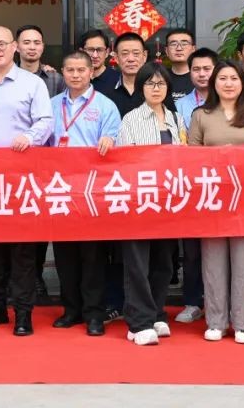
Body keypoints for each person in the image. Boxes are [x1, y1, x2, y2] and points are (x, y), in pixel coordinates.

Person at [0, 26, 54, 336]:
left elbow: (46, 121)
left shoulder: (33, 83)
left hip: (22, 181)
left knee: (22, 250)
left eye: (2, 44)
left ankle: (23, 312)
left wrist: (29, 137)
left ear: (14, 47)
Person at [188, 60, 244, 344]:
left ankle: (242, 323)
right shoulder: (201, 115)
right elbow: (191, 156)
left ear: (242, 83)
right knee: (213, 262)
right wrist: (217, 158)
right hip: (212, 198)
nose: (228, 83)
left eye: (233, 78)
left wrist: (237, 156)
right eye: (222, 78)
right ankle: (215, 321)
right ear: (214, 83)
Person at [50, 51, 121, 336]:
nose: (76, 75)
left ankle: (94, 313)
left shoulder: (105, 105)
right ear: (62, 72)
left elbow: (114, 138)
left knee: (93, 256)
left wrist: (110, 140)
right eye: (70, 70)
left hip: (92, 191)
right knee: (65, 254)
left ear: (91, 72)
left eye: (81, 70)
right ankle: (71, 309)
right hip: (60, 189)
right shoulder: (52, 105)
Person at [115, 63, 186, 346]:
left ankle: (157, 312)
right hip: (139, 201)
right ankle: (138, 322)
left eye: (161, 84)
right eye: (149, 83)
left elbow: (186, 158)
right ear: (141, 87)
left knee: (164, 263)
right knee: (137, 263)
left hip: (168, 203)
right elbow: (125, 162)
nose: (156, 89)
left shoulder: (176, 119)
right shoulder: (131, 119)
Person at [96, 31, 148, 324]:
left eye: (135, 53)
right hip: (111, 181)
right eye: (124, 53)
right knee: (113, 246)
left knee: (143, 247)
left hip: (147, 181)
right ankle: (114, 302)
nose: (130, 58)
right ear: (114, 57)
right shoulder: (103, 90)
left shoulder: (154, 87)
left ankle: (145, 305)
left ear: (145, 56)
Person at [16, 24, 64, 299]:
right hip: (15, 158)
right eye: (27, 42)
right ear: (16, 47)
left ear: (43, 47)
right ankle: (20, 278)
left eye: (37, 42)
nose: (32, 47)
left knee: (41, 221)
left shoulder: (55, 79)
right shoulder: (5, 76)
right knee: (17, 222)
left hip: (46, 160)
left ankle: (36, 276)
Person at [173, 47, 219, 325]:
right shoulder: (180, 105)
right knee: (191, 249)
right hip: (192, 183)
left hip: (223, 183)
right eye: (196, 69)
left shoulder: (229, 99)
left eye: (207, 69)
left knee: (220, 247)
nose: (202, 74)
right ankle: (192, 302)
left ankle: (219, 303)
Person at [163, 28, 196, 101]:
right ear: (166, 50)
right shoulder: (160, 77)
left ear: (193, 49)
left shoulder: (201, 77)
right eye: (173, 44)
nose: (179, 48)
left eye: (184, 44)